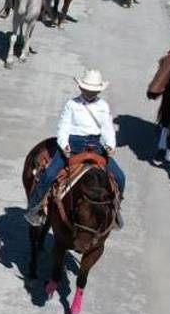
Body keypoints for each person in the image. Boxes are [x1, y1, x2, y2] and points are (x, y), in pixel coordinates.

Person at [25, 71, 125, 228]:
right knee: (49, 175)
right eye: (87, 89)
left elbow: (108, 128)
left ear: (98, 91)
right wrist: (64, 145)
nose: (90, 92)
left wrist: (111, 145)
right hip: (74, 145)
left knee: (120, 177)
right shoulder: (72, 104)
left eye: (93, 90)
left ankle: (116, 209)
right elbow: (63, 127)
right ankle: (34, 208)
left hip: (96, 146)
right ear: (81, 88)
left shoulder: (103, 106)